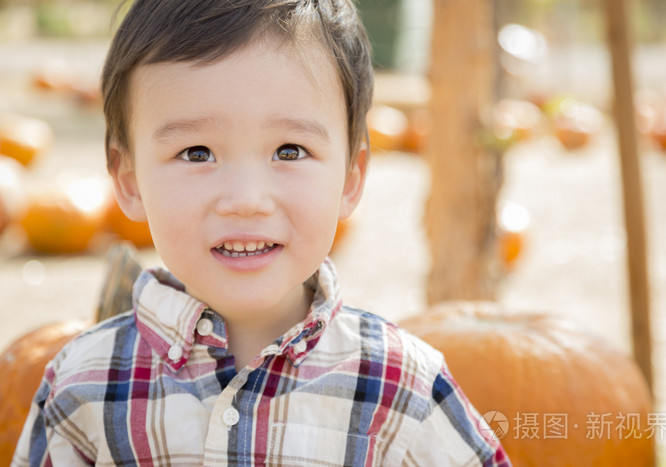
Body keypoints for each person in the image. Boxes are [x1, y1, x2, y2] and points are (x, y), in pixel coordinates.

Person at [13, 1, 510, 465]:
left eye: (289, 151)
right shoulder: (84, 384)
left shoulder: (402, 387)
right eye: (197, 153)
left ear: (351, 177)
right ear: (129, 180)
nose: (247, 198)